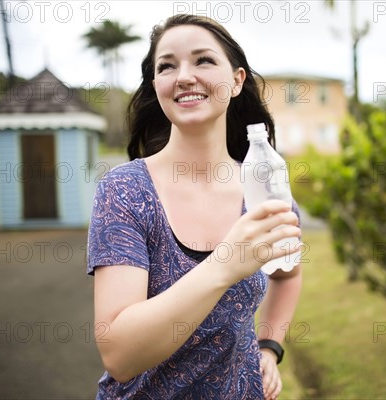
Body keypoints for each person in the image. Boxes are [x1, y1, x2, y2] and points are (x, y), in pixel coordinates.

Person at [87, 14, 303, 400]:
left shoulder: (264, 185)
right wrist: (225, 264)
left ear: (237, 81)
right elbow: (118, 354)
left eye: (203, 60)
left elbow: (287, 274)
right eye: (167, 66)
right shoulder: (125, 191)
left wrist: (269, 348)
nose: (184, 75)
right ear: (157, 86)